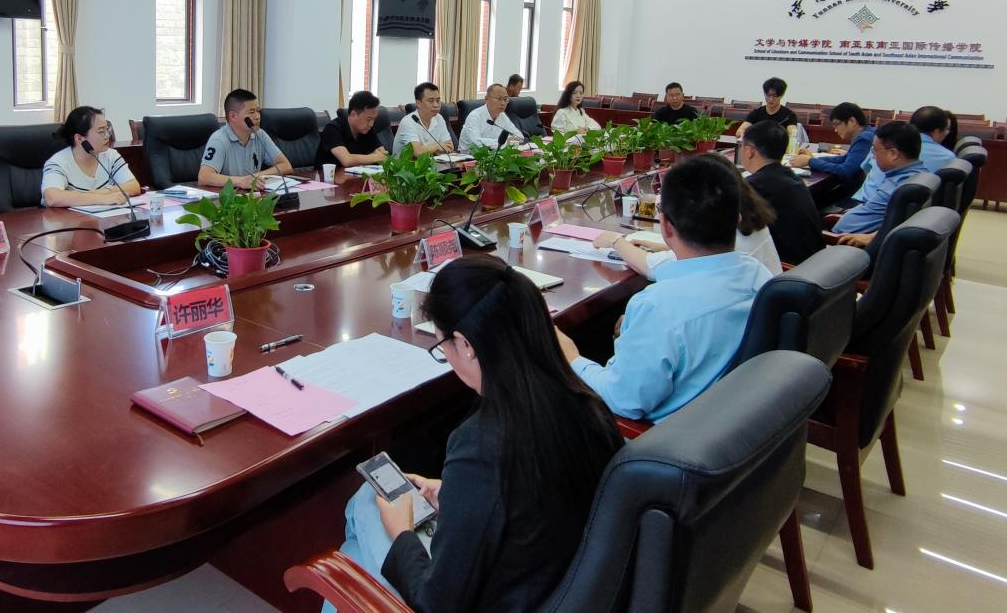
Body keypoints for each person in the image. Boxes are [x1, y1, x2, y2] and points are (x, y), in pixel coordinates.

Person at [332, 255, 624, 612]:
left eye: (442, 346)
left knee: (364, 504)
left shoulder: (483, 445)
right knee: (357, 552)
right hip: (557, 586)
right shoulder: (588, 406)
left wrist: (402, 533)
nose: (446, 356)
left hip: (497, 600)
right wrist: (458, 495)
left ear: (466, 344)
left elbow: (437, 601)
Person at [556, 155, 771, 421]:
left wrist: (571, 357)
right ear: (737, 219)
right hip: (727, 421)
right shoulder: (759, 275)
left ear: (666, 226)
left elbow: (623, 402)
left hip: (658, 437)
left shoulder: (659, 306)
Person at [595, 156, 782, 280]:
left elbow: (652, 267)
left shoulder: (728, 240)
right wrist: (662, 246)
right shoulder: (750, 222)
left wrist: (615, 241)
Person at [741, 121, 824, 266]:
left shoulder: (754, 187)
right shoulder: (793, 178)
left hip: (792, 269)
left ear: (749, 151)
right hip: (816, 263)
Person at [833, 121, 930, 242]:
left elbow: (895, 229)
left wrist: (872, 237)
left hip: (844, 244)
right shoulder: (921, 174)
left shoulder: (900, 187)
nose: (873, 156)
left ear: (893, 153)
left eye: (875, 150)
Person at [41, 106, 140, 207]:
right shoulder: (58, 163)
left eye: (107, 130)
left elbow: (134, 186)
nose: (107, 136)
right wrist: (103, 198)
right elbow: (52, 197)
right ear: (79, 138)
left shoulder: (110, 156)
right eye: (101, 132)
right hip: (71, 217)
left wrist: (103, 192)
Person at [198, 89, 293, 189]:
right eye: (251, 112)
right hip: (229, 196)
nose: (257, 117)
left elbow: (286, 165)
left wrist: (254, 177)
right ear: (233, 116)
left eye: (258, 111)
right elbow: (204, 177)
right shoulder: (219, 140)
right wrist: (240, 181)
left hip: (253, 194)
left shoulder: (259, 134)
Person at [790, 102, 876, 208]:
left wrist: (810, 161)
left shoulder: (864, 138)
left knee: (804, 201)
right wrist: (813, 158)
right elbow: (844, 159)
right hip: (853, 191)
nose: (835, 130)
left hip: (855, 199)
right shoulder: (866, 133)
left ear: (852, 121)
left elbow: (846, 171)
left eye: (837, 124)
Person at [317, 91, 389, 169]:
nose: (371, 124)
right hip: (328, 175)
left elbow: (383, 155)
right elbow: (347, 160)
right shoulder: (333, 128)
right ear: (353, 115)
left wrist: (377, 157)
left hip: (356, 174)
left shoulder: (367, 129)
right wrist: (375, 157)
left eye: (373, 119)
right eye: (368, 119)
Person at [458, 84, 524, 153]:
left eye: (505, 99)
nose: (503, 103)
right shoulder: (474, 116)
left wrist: (507, 141)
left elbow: (520, 137)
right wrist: (503, 142)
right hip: (470, 156)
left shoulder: (502, 116)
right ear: (487, 98)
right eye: (499, 98)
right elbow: (475, 143)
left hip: (495, 154)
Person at [396, 83, 455, 156]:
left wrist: (427, 149)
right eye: (431, 101)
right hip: (407, 163)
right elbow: (417, 152)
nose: (436, 105)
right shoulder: (408, 122)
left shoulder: (439, 118)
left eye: (438, 100)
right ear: (418, 103)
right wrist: (437, 146)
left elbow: (450, 147)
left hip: (433, 162)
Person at [910, 106, 958, 172]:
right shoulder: (948, 157)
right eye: (945, 129)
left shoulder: (897, 151)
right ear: (936, 131)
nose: (947, 133)